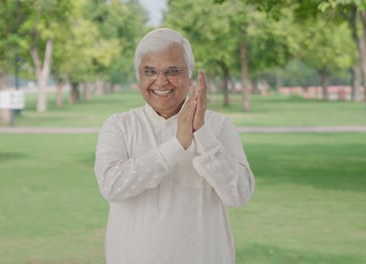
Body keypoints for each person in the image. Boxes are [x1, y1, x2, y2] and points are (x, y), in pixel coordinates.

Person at [94, 28, 255, 264]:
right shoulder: (119, 126)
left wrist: (202, 134)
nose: (161, 81)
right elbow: (112, 186)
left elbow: (239, 194)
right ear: (138, 76)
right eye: (150, 71)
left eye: (172, 71)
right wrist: (177, 144)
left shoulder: (218, 126)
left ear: (189, 75)